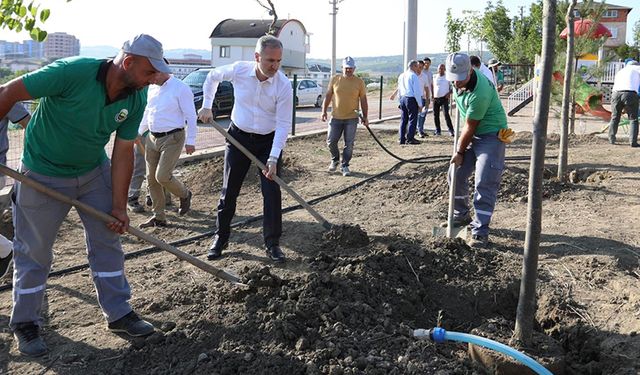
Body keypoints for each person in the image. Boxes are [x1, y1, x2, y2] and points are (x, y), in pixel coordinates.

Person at [0, 33, 169, 357]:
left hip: (93, 173)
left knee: (108, 239)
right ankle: (25, 323)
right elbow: (8, 92)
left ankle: (118, 313)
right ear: (129, 62)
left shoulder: (135, 98)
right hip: (41, 173)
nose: (154, 79)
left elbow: (122, 153)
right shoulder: (72, 72)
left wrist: (119, 207)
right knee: (34, 252)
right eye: (150, 72)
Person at [198, 35, 293, 263]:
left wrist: (272, 158)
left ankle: (272, 244)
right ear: (257, 57)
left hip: (268, 141)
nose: (275, 66)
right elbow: (212, 77)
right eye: (270, 60)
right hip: (238, 137)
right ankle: (220, 238)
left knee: (272, 193)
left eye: (278, 61)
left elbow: (282, 125)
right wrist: (206, 106)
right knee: (229, 190)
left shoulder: (283, 85)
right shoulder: (240, 70)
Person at [445, 52, 507, 249]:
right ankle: (461, 215)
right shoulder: (458, 81)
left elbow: (470, 127)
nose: (456, 84)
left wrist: (460, 152)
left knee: (484, 180)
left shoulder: (480, 92)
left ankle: (480, 231)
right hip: (471, 131)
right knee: (455, 173)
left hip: (491, 134)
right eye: (452, 80)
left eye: (459, 80)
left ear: (470, 70)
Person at [138, 71, 197, 228]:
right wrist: (139, 131)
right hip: (152, 137)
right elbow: (148, 112)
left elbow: (191, 115)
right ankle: (159, 217)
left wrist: (191, 140)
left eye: (153, 75)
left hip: (173, 137)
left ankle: (185, 194)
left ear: (162, 70)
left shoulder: (180, 88)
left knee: (162, 176)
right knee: (151, 179)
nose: (151, 79)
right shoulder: (152, 88)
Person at [321, 56, 369, 177]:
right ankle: (335, 159)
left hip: (351, 118)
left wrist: (365, 116)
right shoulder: (335, 79)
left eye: (351, 68)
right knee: (331, 141)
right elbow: (328, 96)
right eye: (346, 68)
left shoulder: (359, 82)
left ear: (354, 68)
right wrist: (324, 111)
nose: (348, 70)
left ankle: (345, 165)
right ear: (342, 68)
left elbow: (363, 100)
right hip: (336, 117)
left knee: (349, 144)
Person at [0, 103, 31, 280]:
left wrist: (31, 159)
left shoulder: (4, 95)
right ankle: (6, 248)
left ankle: (7, 249)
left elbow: (32, 126)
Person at [390, 60, 423, 145]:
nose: (417, 68)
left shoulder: (401, 75)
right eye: (416, 66)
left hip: (403, 98)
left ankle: (401, 138)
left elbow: (399, 89)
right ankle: (410, 138)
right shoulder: (413, 76)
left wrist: (399, 101)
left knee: (403, 119)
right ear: (413, 66)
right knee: (412, 119)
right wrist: (420, 104)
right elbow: (416, 91)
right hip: (411, 98)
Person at [607, 60, 639, 147]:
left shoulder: (621, 71)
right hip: (630, 93)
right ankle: (633, 142)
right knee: (633, 119)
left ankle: (611, 139)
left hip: (615, 93)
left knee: (615, 117)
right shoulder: (637, 68)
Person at [432, 64, 455, 136]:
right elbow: (432, 86)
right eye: (439, 69)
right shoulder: (434, 77)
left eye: (442, 69)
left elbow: (453, 88)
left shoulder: (448, 77)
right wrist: (432, 95)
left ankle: (451, 130)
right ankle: (438, 130)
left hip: (444, 98)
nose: (440, 70)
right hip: (435, 98)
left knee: (446, 114)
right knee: (436, 115)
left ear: (444, 69)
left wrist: (449, 93)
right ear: (437, 69)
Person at [417, 57, 433, 138]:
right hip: (419, 97)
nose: (426, 64)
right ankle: (419, 130)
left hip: (427, 97)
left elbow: (430, 85)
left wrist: (431, 95)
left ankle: (421, 129)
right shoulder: (418, 73)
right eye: (424, 63)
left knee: (424, 114)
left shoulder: (429, 73)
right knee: (419, 114)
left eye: (427, 63)